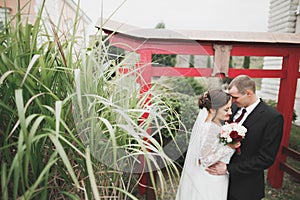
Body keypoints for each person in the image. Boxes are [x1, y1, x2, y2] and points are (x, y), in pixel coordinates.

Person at [206, 75, 284, 200]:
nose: (232, 101)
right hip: (218, 182)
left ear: (248, 93)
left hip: (245, 188)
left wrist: (228, 169)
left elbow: (266, 158)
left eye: (235, 97)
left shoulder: (272, 118)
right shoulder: (231, 109)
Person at [176, 89, 240, 200]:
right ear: (212, 110)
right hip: (209, 178)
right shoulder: (211, 128)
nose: (230, 112)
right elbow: (204, 160)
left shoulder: (210, 124)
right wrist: (229, 147)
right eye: (226, 109)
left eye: (230, 108)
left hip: (209, 176)